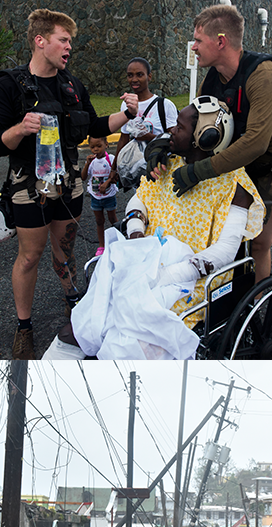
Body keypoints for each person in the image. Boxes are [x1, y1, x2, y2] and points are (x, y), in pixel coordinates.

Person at [42, 97, 265, 360]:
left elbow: (225, 252)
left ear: (204, 137)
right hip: (143, 263)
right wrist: (136, 234)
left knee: (123, 337)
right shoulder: (167, 162)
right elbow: (140, 200)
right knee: (77, 329)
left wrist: (165, 275)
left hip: (190, 281)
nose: (170, 130)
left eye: (179, 127)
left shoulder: (234, 184)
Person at [0, 8, 139, 360]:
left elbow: (95, 126)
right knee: (29, 256)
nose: (69, 47)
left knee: (64, 252)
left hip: (70, 182)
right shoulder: (8, 86)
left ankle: (73, 300)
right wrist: (21, 128)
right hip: (28, 184)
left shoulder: (72, 85)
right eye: (63, 40)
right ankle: (24, 327)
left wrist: (128, 114)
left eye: (71, 41)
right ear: (41, 41)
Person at [154, 5, 272, 283]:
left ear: (220, 41)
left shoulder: (262, 75)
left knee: (258, 244)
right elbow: (191, 122)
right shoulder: (213, 79)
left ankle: (260, 308)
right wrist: (162, 145)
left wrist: (198, 171)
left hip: (267, 166)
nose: (193, 47)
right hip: (233, 167)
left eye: (197, 40)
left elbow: (257, 142)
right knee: (223, 239)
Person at [112, 57, 178, 183]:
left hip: (161, 170)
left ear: (149, 77)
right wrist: (114, 169)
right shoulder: (126, 105)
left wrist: (149, 137)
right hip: (137, 170)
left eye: (140, 75)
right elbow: (124, 138)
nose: (134, 79)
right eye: (130, 75)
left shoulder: (164, 105)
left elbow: (175, 140)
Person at [81, 136, 118, 254]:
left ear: (106, 144)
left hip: (109, 196)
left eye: (99, 146)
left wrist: (107, 183)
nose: (95, 149)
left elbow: (116, 176)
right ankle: (101, 245)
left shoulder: (110, 159)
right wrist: (87, 164)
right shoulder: (91, 162)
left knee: (113, 219)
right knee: (99, 221)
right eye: (92, 147)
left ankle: (117, 241)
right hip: (95, 196)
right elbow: (83, 177)